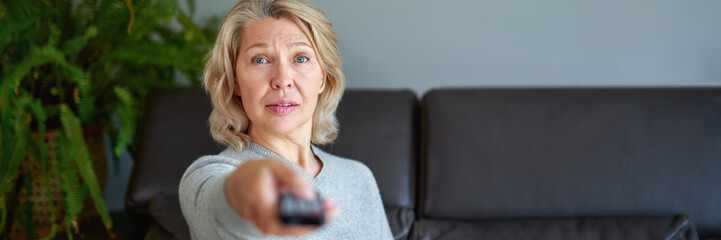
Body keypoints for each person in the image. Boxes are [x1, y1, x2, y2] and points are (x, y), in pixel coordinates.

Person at [178, 0, 393, 239]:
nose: (282, 79)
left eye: (300, 58)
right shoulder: (206, 176)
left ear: (323, 78)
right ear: (235, 81)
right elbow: (223, 203)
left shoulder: (359, 176)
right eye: (260, 59)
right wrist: (249, 188)